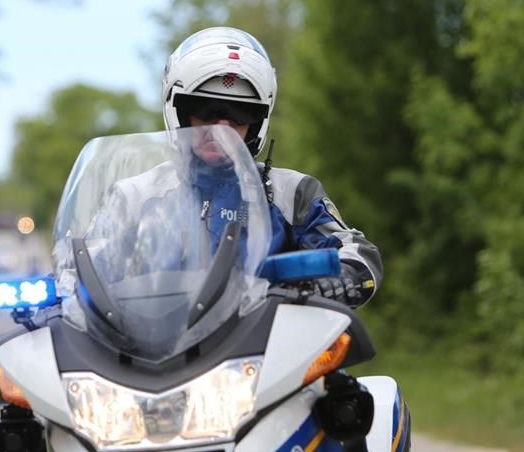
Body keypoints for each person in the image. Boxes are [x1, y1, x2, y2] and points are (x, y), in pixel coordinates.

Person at [161, 26, 381, 308]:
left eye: (240, 113)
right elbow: (101, 265)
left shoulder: (290, 193)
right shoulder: (135, 196)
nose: (222, 127)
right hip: (157, 333)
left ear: (257, 123)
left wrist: (338, 279)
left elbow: (358, 252)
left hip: (263, 333)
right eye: (206, 110)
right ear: (179, 112)